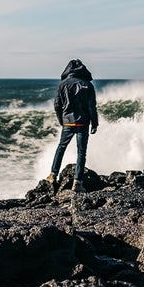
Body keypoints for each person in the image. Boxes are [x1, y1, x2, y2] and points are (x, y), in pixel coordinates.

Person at [46, 59, 98, 192]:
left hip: (67, 122)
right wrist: (94, 123)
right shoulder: (87, 85)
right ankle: (77, 182)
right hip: (83, 122)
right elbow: (92, 107)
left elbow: (57, 106)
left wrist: (61, 121)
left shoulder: (62, 85)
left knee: (61, 147)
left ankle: (53, 175)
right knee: (81, 152)